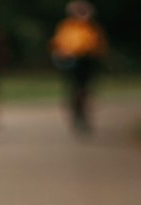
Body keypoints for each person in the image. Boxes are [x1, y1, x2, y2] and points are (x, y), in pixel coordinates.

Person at [49, 1, 108, 134]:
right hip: (72, 61)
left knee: (85, 89)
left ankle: (84, 114)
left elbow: (100, 46)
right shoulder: (67, 27)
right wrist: (62, 53)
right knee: (74, 88)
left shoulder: (93, 28)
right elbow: (59, 44)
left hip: (88, 60)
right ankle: (76, 112)